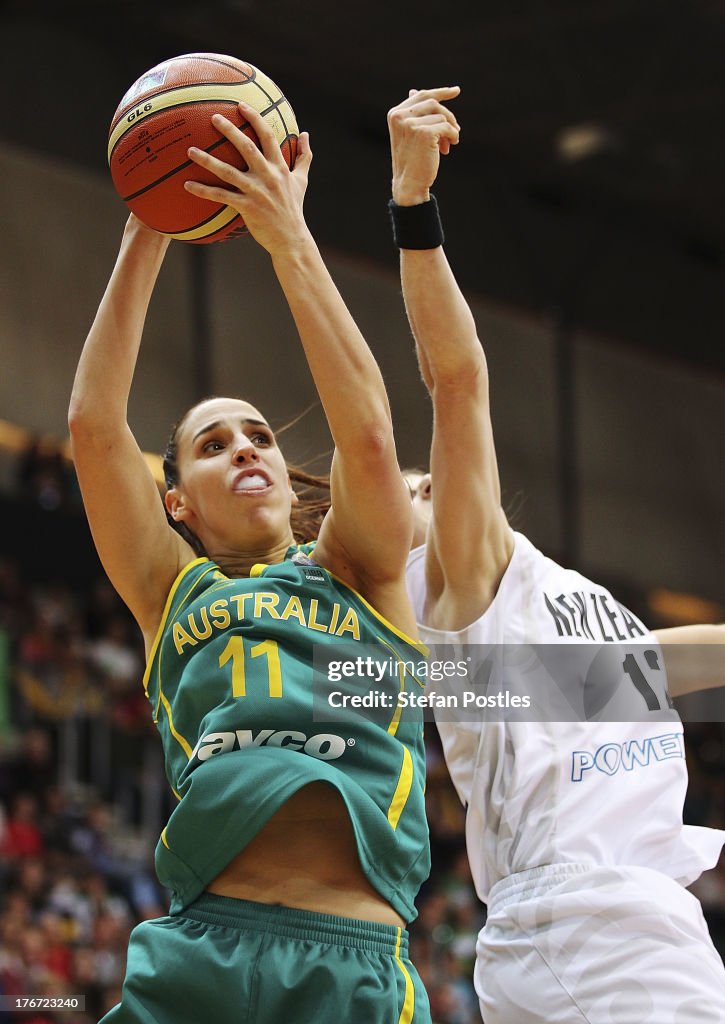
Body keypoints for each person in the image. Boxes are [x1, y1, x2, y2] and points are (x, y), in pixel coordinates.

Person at [69, 100, 432, 1024]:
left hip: (349, 964)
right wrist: (147, 227)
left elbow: (369, 435)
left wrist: (287, 238)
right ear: (176, 500)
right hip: (195, 956)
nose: (244, 448)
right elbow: (92, 430)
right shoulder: (170, 590)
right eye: (212, 442)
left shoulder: (358, 569)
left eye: (259, 435)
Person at [387, 87, 725, 1023]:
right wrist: (412, 208)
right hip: (586, 921)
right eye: (418, 485)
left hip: (623, 926)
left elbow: (650, 666)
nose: (432, 482)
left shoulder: (539, 615)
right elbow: (456, 378)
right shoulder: (453, 582)